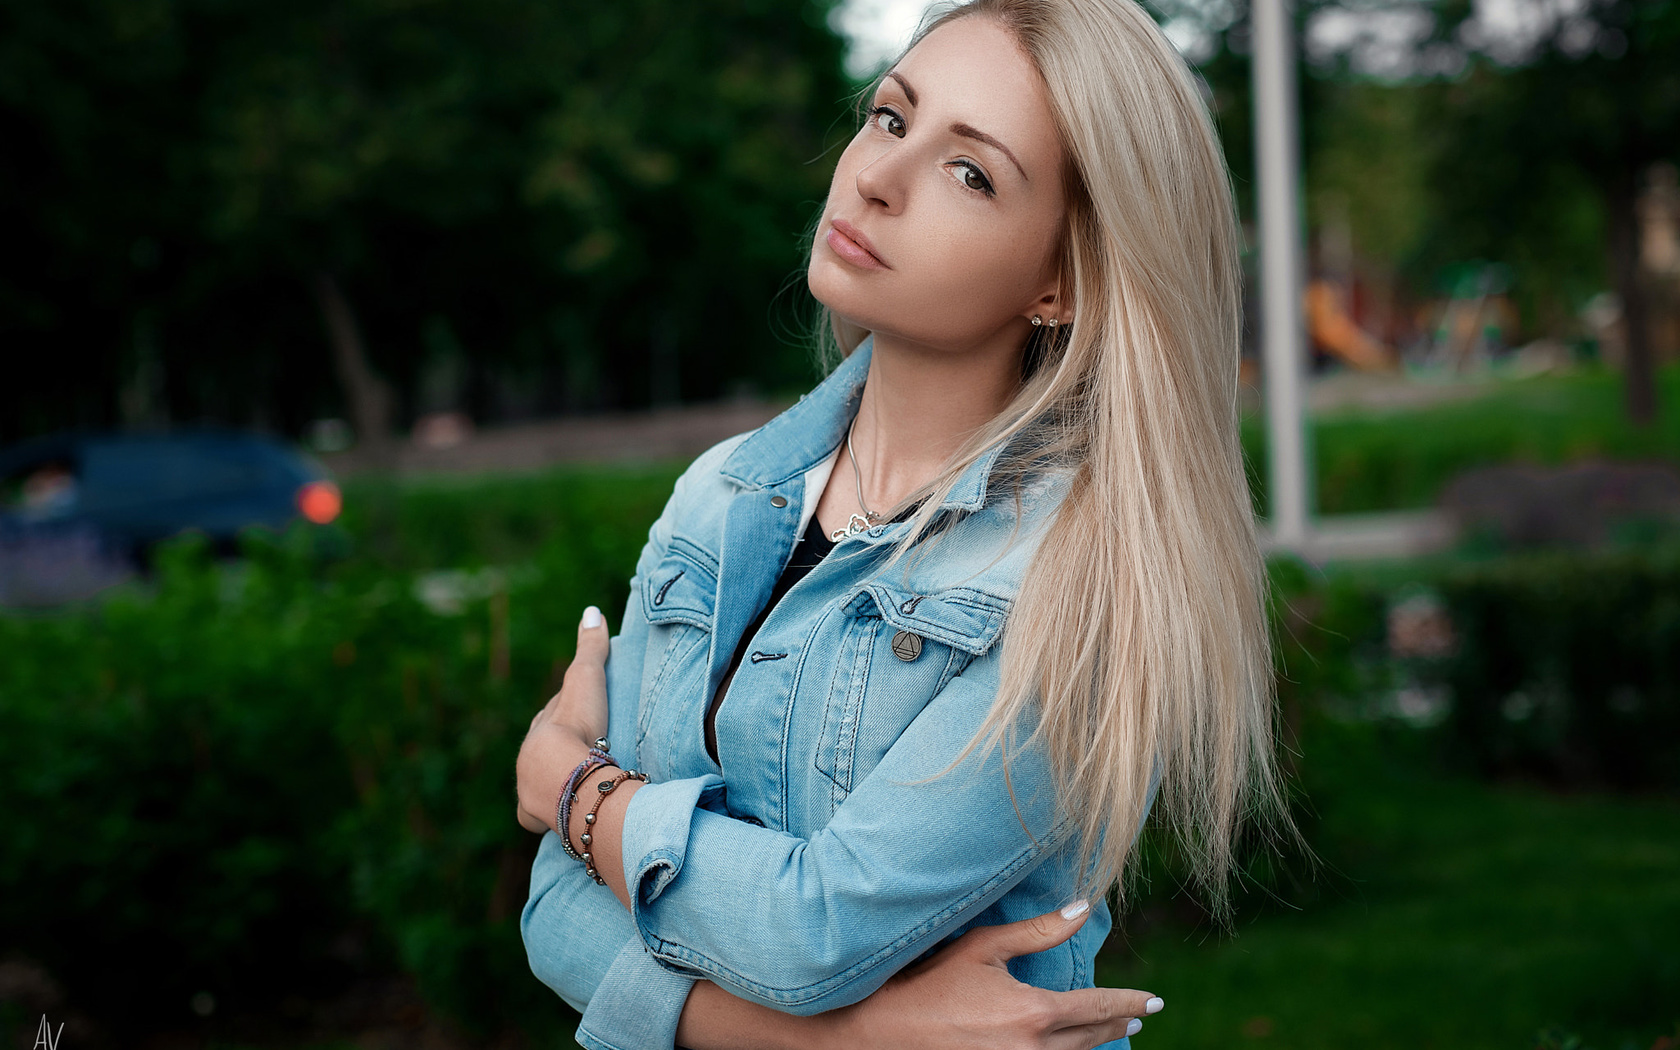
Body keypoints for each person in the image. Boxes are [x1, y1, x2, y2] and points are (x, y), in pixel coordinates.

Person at [515, 1, 1288, 1047]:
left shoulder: (1084, 584)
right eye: (891, 118)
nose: (878, 177)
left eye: (971, 173)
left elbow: (813, 928)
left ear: (1062, 279)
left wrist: (574, 790)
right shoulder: (722, 497)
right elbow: (556, 915)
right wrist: (856, 1039)